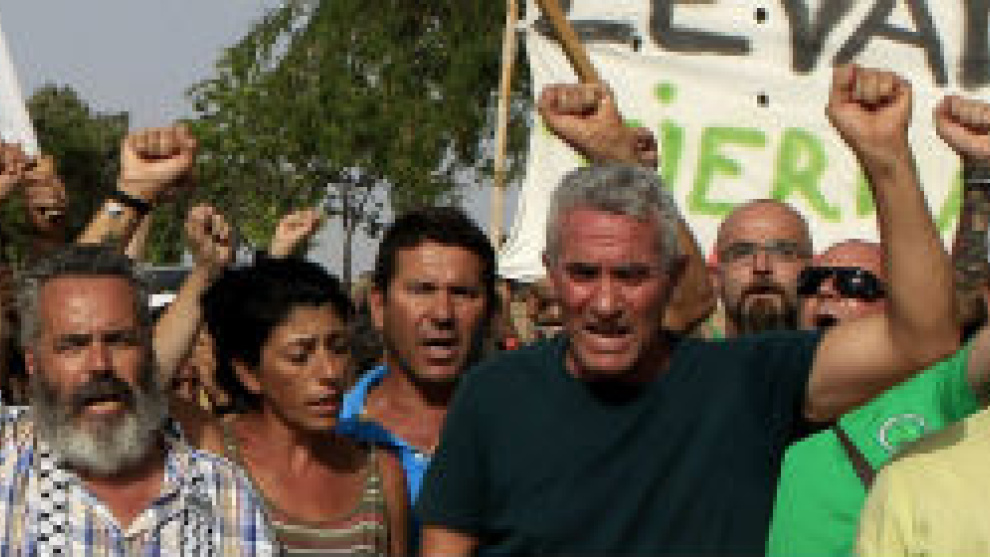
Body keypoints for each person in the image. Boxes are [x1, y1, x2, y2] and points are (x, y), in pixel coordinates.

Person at [416, 65, 958, 556]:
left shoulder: (747, 383)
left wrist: (886, 158)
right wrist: (614, 151)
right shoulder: (493, 397)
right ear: (551, 273)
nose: (605, 303)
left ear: (674, 277)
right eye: (583, 274)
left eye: (631, 276)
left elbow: (924, 339)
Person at [0, 243, 276, 554]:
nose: (100, 364)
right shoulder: (9, 467)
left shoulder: (222, 493)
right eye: (74, 345)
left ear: (148, 351)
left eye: (119, 341)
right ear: (32, 363)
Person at [195, 258, 409, 555]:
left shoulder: (380, 472)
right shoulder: (215, 460)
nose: (330, 372)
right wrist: (204, 269)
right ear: (248, 374)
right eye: (299, 356)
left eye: (338, 348)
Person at [854, 96, 990, 557]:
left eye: (858, 283)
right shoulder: (914, 482)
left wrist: (981, 173)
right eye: (816, 282)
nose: (834, 294)